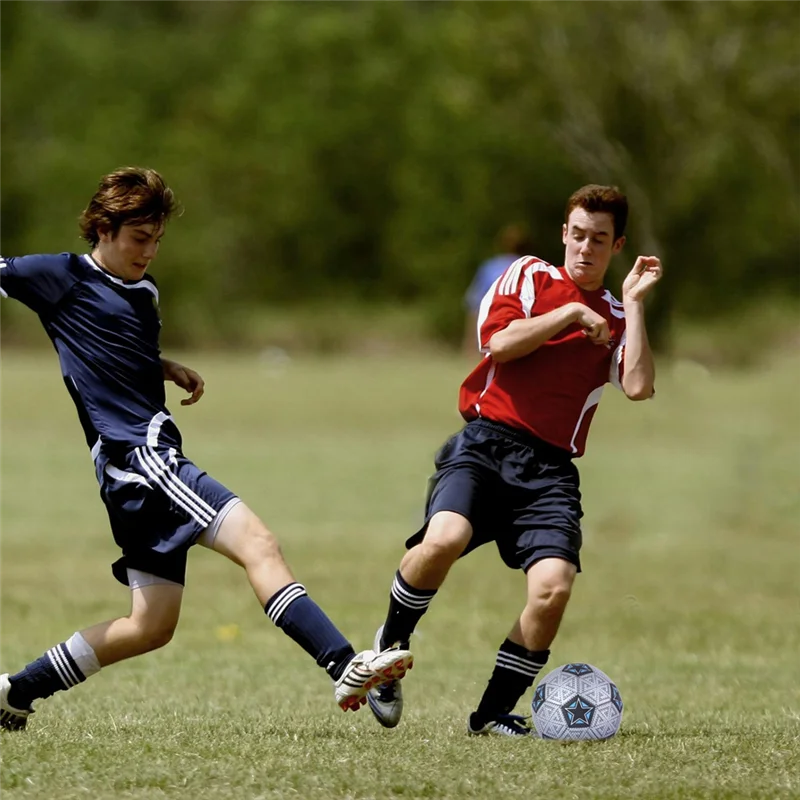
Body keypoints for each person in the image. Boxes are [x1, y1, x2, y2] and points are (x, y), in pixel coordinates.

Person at [0, 167, 412, 732]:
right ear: (103, 228)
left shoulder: (144, 291)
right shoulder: (59, 275)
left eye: (157, 240)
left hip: (131, 470)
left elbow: (115, 348)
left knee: (151, 626)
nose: (150, 251)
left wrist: (162, 367)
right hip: (143, 460)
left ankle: (15, 692)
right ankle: (343, 664)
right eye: (139, 238)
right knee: (258, 543)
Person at [367, 184, 662, 736]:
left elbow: (639, 386)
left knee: (553, 589)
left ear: (617, 245)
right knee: (444, 540)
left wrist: (637, 303)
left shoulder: (619, 316)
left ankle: (492, 713)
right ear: (563, 234)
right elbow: (500, 343)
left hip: (550, 470)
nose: (586, 248)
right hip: (485, 445)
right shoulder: (528, 275)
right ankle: (389, 647)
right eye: (578, 235)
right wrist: (571, 312)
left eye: (599, 239)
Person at [463, 223, 533, 356]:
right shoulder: (532, 268)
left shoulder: (490, 268)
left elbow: (474, 304)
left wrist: (470, 342)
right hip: (520, 333)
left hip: (492, 329)